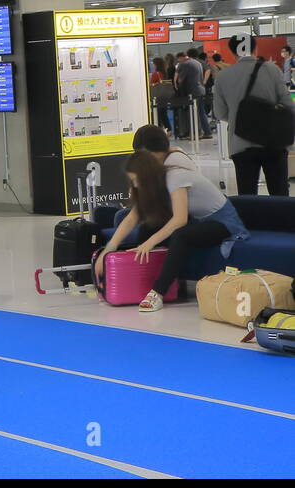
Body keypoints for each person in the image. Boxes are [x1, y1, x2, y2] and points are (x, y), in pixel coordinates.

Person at [96, 150, 249, 312]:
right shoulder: (155, 184)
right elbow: (132, 218)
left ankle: (158, 292)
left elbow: (180, 219)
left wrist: (150, 242)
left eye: (135, 180)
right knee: (148, 228)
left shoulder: (175, 177)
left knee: (179, 235)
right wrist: (108, 249)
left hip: (224, 223)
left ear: (146, 175)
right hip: (198, 220)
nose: (134, 185)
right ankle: (146, 281)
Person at [212, 35, 295, 196]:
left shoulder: (223, 76)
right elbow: (288, 104)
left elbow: (220, 113)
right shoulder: (271, 69)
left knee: (247, 193)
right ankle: (283, 221)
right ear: (255, 49)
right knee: (279, 191)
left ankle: (251, 221)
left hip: (241, 142)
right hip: (274, 141)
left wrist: (243, 119)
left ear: (232, 51)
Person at [173, 50, 207, 140]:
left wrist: (177, 86)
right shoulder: (197, 62)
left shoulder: (185, 64)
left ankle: (196, 133)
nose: (179, 62)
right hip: (201, 90)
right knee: (201, 112)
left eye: (179, 60)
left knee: (193, 113)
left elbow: (180, 79)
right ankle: (207, 132)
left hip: (192, 91)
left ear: (181, 58)